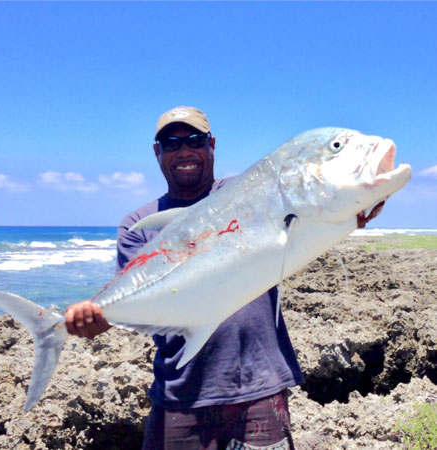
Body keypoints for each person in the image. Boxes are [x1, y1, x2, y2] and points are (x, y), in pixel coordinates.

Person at [65, 106, 383, 450]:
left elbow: (312, 218)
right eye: (171, 143)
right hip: (181, 393)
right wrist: (97, 317)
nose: (185, 151)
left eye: (195, 140)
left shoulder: (252, 192)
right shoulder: (138, 225)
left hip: (259, 388)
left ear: (211, 144)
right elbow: (135, 302)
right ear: (157, 152)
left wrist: (358, 204)